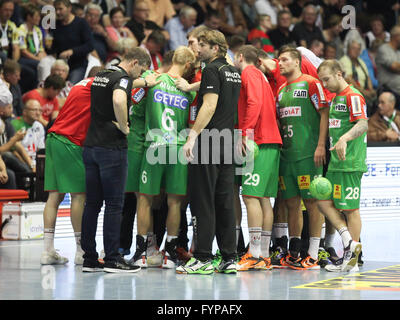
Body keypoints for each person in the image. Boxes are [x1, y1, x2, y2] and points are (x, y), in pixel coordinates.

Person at [80, 47, 151, 273]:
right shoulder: (122, 79)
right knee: (114, 205)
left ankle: (90, 258)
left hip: (91, 146)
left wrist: (147, 82)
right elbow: (120, 99)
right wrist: (123, 125)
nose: (139, 77)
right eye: (141, 71)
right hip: (112, 148)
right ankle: (113, 258)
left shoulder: (102, 74)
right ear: (135, 63)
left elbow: (127, 85)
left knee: (92, 204)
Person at [177, 30, 241, 275]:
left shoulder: (212, 70)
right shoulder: (234, 72)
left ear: (216, 48)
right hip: (227, 141)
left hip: (210, 141)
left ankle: (203, 257)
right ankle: (228, 257)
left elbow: (210, 104)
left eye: (202, 45)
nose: (198, 49)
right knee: (224, 201)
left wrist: (192, 137)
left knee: (203, 200)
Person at [130, 46, 196, 269]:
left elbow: (133, 97)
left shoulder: (151, 77)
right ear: (187, 65)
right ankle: (170, 252)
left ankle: (141, 251)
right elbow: (193, 122)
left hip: (154, 145)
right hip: (178, 148)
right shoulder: (189, 91)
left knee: (145, 199)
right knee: (175, 202)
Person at [275, 46, 329, 270]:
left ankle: (314, 253)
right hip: (288, 155)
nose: (280, 63)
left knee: (312, 201)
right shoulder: (281, 90)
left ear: (297, 62)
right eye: (278, 60)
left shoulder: (311, 83)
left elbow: (324, 112)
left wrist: (320, 145)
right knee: (291, 203)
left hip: (309, 154)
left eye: (285, 59)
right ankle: (294, 249)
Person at [233, 45, 282, 271]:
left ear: (240, 57)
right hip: (272, 141)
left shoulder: (249, 73)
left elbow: (254, 103)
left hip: (259, 141)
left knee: (250, 196)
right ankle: (262, 254)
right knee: (263, 199)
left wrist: (245, 133)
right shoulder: (261, 75)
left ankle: (253, 254)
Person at [317, 59, 367, 272]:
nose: (324, 84)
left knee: (350, 209)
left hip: (350, 163)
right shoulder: (335, 98)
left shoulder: (353, 95)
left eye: (326, 79)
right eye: (321, 81)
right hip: (336, 163)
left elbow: (363, 123)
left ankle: (353, 260)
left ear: (339, 74)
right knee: (322, 201)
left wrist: (345, 138)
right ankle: (348, 242)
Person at [45, 0, 94, 84]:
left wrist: (72, 51)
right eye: (56, 9)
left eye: (60, 9)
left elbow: (90, 45)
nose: (58, 12)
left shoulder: (81, 23)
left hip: (78, 65)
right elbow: (53, 49)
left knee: (71, 89)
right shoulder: (54, 25)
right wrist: (48, 47)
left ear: (69, 8)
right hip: (60, 65)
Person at [339, 40, 377, 111]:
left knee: (378, 97)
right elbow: (349, 79)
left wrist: (371, 90)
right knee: (368, 103)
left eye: (358, 49)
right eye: (353, 48)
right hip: (351, 92)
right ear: (348, 49)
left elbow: (368, 77)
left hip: (364, 90)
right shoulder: (344, 60)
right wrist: (364, 92)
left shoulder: (361, 61)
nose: (356, 51)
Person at [10, 99, 45, 170]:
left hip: (35, 161)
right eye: (34, 110)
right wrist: (27, 165)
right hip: (20, 160)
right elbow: (14, 150)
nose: (38, 113)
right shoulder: (15, 124)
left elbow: (40, 149)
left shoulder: (39, 126)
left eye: (40, 110)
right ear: (25, 111)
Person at [375, 25, 400, 97]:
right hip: (387, 91)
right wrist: (396, 68)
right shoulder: (383, 49)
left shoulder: (398, 52)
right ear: (396, 36)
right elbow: (394, 67)